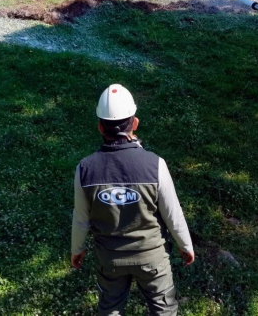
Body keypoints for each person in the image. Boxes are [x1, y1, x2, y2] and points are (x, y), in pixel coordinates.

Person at [71, 84, 195, 316]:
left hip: (110, 260)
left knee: (110, 309)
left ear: (100, 127)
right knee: (164, 311)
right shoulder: (155, 165)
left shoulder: (84, 169)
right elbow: (172, 213)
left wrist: (76, 249)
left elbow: (80, 218)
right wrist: (185, 245)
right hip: (152, 258)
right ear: (135, 123)